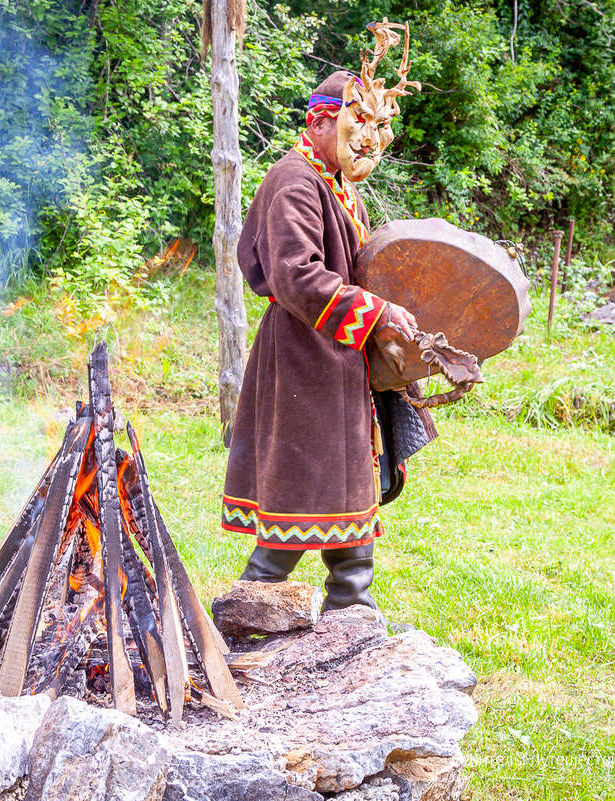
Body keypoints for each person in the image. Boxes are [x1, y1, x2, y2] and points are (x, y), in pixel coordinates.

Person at [221, 28, 433, 612]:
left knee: (347, 481)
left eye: (374, 130)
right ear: (319, 122)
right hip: (301, 355)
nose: (365, 140)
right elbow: (297, 277)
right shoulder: (295, 180)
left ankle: (351, 608)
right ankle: (254, 609)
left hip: (338, 357)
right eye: (353, 123)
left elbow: (356, 267)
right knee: (301, 486)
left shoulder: (336, 185)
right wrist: (377, 312)